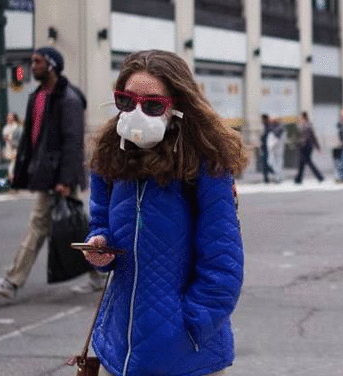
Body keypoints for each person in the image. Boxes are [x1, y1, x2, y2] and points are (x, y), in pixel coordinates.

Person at [80, 50, 248, 376]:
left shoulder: (205, 165)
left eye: (153, 105)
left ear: (177, 107)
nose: (138, 112)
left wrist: (192, 327)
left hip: (187, 357)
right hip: (121, 348)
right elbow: (100, 222)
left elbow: (223, 261)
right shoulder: (109, 156)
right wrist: (99, 245)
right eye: (126, 101)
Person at [0, 46, 99, 299]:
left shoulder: (68, 99)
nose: (32, 66)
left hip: (59, 176)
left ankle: (12, 281)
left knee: (44, 225)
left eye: (37, 62)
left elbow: (73, 142)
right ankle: (98, 274)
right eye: (32, 62)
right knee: (73, 226)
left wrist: (65, 180)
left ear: (52, 66)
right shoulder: (37, 97)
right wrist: (20, 171)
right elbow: (32, 141)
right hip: (47, 174)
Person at [294, 111, 324, 184]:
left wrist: (317, 146)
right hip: (305, 146)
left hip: (306, 147)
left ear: (303, 117)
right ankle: (299, 178)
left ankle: (319, 176)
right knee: (302, 162)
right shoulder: (306, 125)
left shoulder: (306, 125)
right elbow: (313, 137)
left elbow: (309, 137)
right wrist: (317, 146)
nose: (300, 118)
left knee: (307, 162)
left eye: (301, 117)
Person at [1, 112, 23, 180]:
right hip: (9, 148)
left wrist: (11, 141)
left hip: (15, 148)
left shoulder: (17, 127)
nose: (8, 117)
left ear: (14, 118)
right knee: (11, 164)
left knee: (13, 164)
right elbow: (5, 137)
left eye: (10, 116)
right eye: (8, 116)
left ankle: (12, 177)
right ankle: (13, 178)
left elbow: (20, 139)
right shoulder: (6, 127)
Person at [266, 118, 287, 183]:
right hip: (278, 150)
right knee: (278, 164)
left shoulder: (276, 131)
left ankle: (278, 177)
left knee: (276, 164)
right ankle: (279, 177)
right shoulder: (280, 130)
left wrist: (271, 147)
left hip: (276, 150)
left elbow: (274, 142)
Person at [260, 113, 274, 183]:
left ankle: (274, 173)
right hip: (265, 147)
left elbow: (268, 138)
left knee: (266, 164)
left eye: (262, 119)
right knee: (265, 164)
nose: (261, 120)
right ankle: (266, 179)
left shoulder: (268, 127)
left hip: (267, 148)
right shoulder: (266, 126)